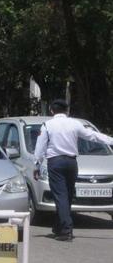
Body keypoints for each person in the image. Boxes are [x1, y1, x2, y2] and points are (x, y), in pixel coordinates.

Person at [34, 99, 113, 241]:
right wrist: (111, 141)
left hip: (55, 162)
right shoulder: (75, 124)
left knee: (60, 196)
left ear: (52, 110)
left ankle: (65, 230)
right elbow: (93, 136)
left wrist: (37, 165)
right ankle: (58, 227)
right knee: (67, 196)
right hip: (71, 163)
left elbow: (40, 148)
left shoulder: (48, 125)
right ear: (67, 111)